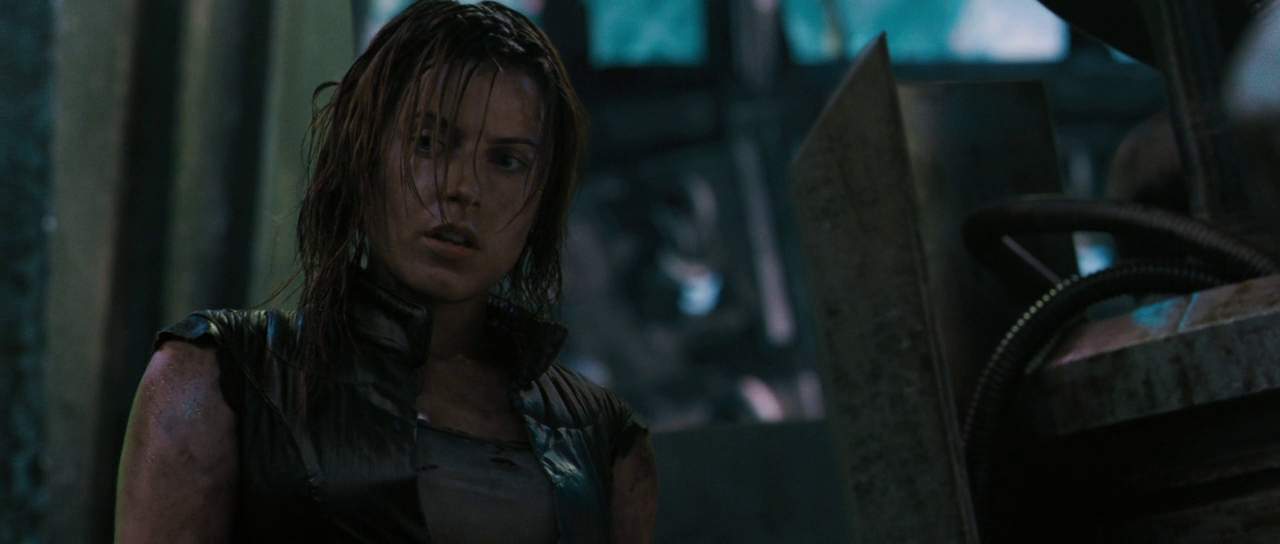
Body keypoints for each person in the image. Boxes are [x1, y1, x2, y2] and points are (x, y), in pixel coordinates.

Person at [114, 1, 658, 541]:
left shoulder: (601, 437)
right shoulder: (217, 378)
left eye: (507, 160)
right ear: (363, 154)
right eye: (428, 143)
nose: (462, 188)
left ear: (542, 199)